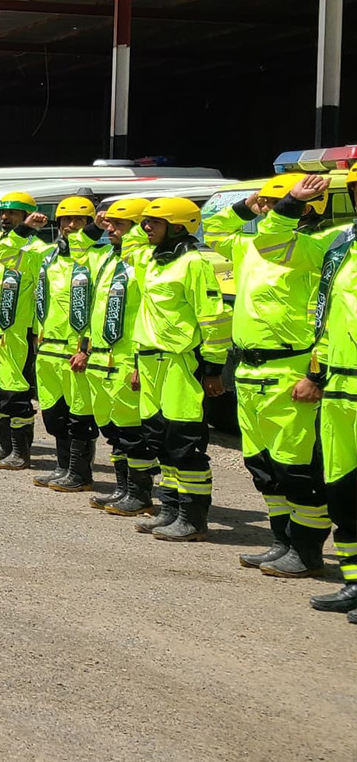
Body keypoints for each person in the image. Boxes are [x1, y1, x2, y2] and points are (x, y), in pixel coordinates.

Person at [205, 175, 338, 576]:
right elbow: (213, 228)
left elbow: (328, 315)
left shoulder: (316, 248)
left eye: (277, 202)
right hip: (248, 370)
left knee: (297, 467)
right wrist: (246, 205)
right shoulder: (249, 247)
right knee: (263, 465)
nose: (269, 208)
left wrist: (316, 374)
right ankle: (282, 542)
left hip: (289, 369)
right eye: (268, 202)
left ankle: (307, 551)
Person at [260, 173, 357, 617]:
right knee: (343, 493)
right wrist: (291, 205)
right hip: (339, 389)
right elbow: (273, 247)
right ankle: (354, 584)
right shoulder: (340, 242)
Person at [128, 197, 229, 542]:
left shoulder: (196, 263)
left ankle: (193, 517)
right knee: (159, 440)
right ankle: (169, 509)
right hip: (149, 359)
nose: (145, 229)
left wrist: (214, 368)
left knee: (184, 442)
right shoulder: (151, 259)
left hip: (180, 362)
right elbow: (128, 244)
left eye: (153, 223)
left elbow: (214, 318)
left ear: (179, 226)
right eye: (144, 223)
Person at [31, 196, 113, 491]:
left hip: (75, 350)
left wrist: (86, 349)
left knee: (80, 414)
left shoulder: (98, 256)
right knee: (54, 414)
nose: (70, 226)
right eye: (66, 220)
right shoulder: (51, 256)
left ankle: (80, 473)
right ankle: (62, 466)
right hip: (48, 347)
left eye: (79, 220)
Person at [0, 194, 49, 469]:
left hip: (15, 332)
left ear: (29, 216)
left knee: (15, 392)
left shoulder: (37, 250)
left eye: (14, 214)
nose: (5, 218)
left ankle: (20, 451)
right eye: (3, 213)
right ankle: (4, 445)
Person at [86, 199, 153, 515]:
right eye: (109, 224)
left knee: (131, 431)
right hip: (101, 357)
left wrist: (141, 362)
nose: (109, 229)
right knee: (112, 429)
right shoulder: (108, 259)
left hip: (128, 358)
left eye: (118, 225)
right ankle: (122, 487)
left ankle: (139, 494)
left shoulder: (144, 262)